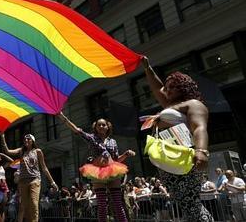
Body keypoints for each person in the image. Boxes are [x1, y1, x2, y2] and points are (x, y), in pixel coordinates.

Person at [143, 57, 213, 221]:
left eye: (173, 86)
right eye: (167, 87)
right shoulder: (169, 105)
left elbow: (199, 127)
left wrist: (201, 151)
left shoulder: (193, 104)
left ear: (184, 87)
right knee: (185, 204)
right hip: (169, 160)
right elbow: (157, 88)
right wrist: (147, 68)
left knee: (191, 204)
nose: (168, 89)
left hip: (184, 158)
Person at [57, 112, 134, 222]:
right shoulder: (92, 138)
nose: (101, 126)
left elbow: (116, 159)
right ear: (95, 127)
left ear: (108, 127)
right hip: (98, 172)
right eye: (99, 125)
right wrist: (62, 116)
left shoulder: (113, 141)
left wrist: (126, 154)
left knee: (118, 203)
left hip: (112, 170)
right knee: (102, 205)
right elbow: (77, 130)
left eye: (104, 125)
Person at [0, 132, 58, 222]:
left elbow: (44, 168)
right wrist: (2, 136)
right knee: (25, 206)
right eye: (24, 139)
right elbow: (7, 151)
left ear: (33, 141)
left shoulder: (37, 151)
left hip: (35, 180)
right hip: (23, 182)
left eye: (28, 139)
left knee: (34, 204)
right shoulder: (21, 151)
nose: (26, 140)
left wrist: (52, 182)